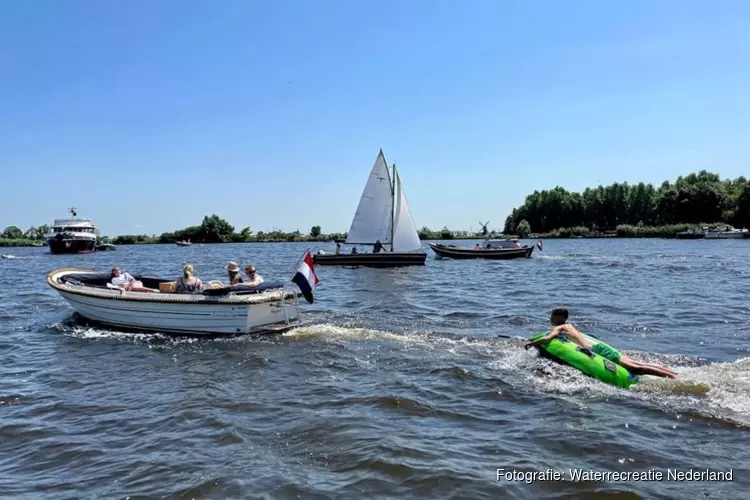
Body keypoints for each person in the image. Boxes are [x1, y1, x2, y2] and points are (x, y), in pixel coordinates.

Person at [524, 307, 678, 378]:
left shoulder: (560, 327)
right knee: (637, 364)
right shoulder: (569, 326)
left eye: (551, 316)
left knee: (637, 369)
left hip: (598, 352)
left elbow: (548, 339)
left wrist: (532, 343)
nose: (550, 318)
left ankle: (671, 379)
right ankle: (671, 373)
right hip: (599, 347)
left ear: (557, 317)